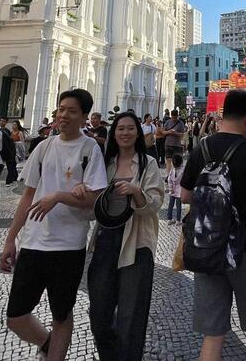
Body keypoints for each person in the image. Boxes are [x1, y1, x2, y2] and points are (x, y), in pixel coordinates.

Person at [1, 89, 106, 361]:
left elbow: (95, 199)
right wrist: (11, 238)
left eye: (72, 111)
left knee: (62, 312)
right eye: (61, 109)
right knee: (15, 315)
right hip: (34, 241)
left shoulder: (89, 148)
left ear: (84, 116)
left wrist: (60, 197)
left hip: (69, 245)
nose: (64, 115)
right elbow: (27, 196)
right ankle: (48, 344)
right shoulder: (44, 147)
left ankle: (56, 355)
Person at [180, 89, 246, 361]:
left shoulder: (203, 147)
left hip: (206, 246)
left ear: (223, 114)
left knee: (213, 333)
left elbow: (186, 195)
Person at [81, 111, 164, 360]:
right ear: (113, 133)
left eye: (130, 128)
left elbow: (156, 202)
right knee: (99, 313)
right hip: (105, 239)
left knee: (131, 316)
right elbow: (92, 200)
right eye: (120, 129)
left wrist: (137, 191)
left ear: (137, 133)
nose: (125, 133)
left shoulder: (148, 163)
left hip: (137, 241)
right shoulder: (104, 164)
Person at [166, 152, 186, 223]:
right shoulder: (183, 170)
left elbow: (169, 179)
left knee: (170, 205)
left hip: (172, 190)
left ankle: (169, 219)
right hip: (179, 190)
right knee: (178, 206)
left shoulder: (172, 169)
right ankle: (178, 220)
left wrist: (170, 188)